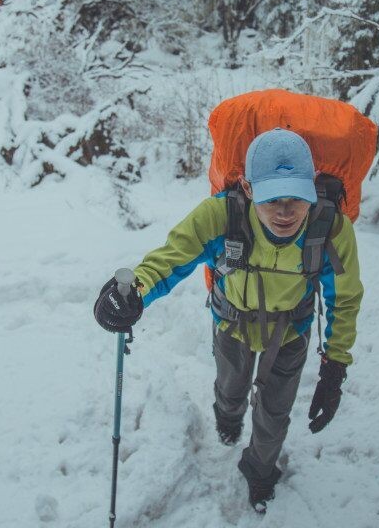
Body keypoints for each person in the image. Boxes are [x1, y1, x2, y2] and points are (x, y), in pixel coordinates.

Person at [94, 127, 363, 513]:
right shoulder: (221, 215)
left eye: (296, 197)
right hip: (231, 324)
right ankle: (228, 417)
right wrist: (134, 292)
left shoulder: (330, 228)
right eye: (272, 198)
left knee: (274, 414)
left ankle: (260, 472)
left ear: (312, 186)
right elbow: (171, 258)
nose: (285, 211)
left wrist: (335, 365)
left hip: (290, 333)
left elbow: (345, 298)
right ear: (249, 188)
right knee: (230, 388)